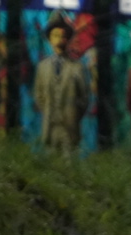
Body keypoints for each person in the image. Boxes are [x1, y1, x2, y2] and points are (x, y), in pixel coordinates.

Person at [32, 14, 88, 153]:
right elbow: (38, 95)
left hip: (70, 128)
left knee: (69, 167)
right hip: (49, 126)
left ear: (68, 39)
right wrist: (48, 111)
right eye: (55, 35)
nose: (59, 39)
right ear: (50, 39)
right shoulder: (42, 67)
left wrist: (73, 115)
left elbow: (84, 98)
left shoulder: (77, 67)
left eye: (63, 36)